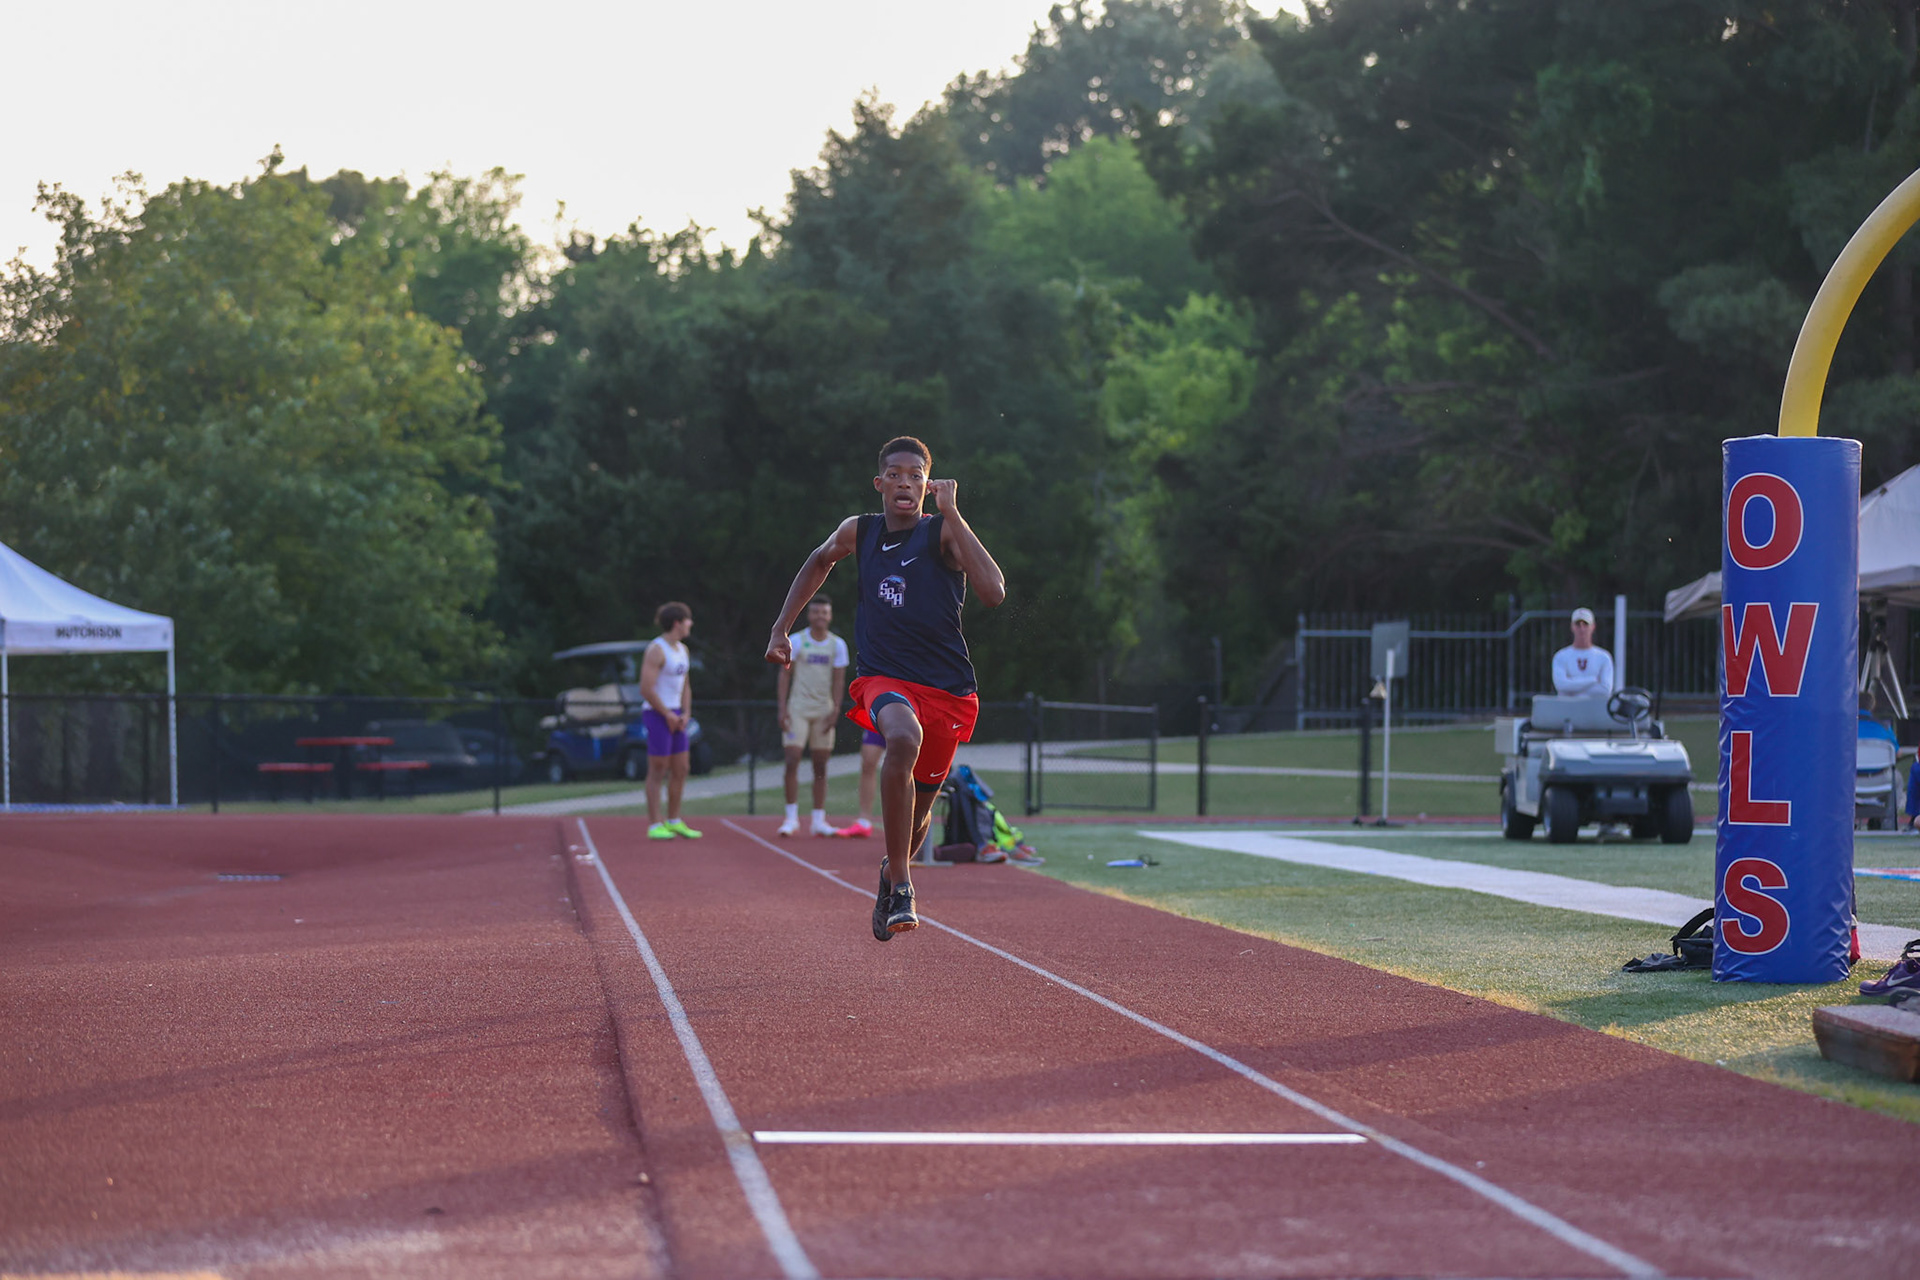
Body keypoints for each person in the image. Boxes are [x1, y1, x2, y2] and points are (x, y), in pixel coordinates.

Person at [766, 435, 1006, 940]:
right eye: (895, 474)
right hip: (883, 677)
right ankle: (902, 885)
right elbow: (818, 559)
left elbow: (993, 592)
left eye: (916, 475)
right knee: (900, 738)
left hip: (947, 688)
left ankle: (891, 869)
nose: (905, 482)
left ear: (928, 485)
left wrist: (954, 514)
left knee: (919, 814)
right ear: (879, 484)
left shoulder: (942, 533)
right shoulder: (861, 531)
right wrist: (781, 628)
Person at [776, 592, 849, 837]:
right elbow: (785, 675)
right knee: (792, 758)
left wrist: (835, 709)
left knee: (820, 764)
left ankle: (818, 819)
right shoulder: (796, 640)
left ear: (829, 616)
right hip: (798, 707)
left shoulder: (837, 645)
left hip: (823, 708)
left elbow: (839, 680)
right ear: (809, 614)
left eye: (824, 612)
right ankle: (791, 817)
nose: (820, 616)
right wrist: (782, 708)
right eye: (816, 611)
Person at [640, 602, 702, 841]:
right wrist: (667, 713)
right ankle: (655, 823)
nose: (690, 624)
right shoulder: (656, 649)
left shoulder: (682, 650)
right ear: (677, 623)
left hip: (677, 714)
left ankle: (674, 820)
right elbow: (646, 688)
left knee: (682, 768)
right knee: (658, 769)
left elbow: (685, 685)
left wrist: (685, 713)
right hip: (658, 714)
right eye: (688, 620)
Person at [1552, 606, 1615, 697]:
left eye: (1585, 624)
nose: (1582, 629)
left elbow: (1605, 690)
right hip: (1567, 708)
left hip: (1594, 709)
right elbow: (1561, 686)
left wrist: (1572, 685)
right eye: (1578, 624)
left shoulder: (1603, 657)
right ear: (1572, 627)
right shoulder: (1561, 656)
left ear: (1593, 627)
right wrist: (1592, 680)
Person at [832, 729, 884, 838]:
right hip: (879, 715)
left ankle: (910, 822)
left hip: (908, 716)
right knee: (868, 761)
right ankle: (864, 821)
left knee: (904, 766)